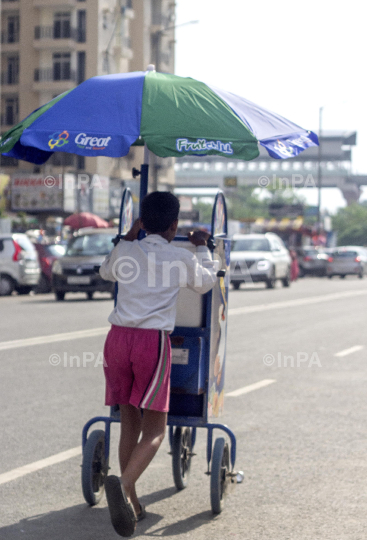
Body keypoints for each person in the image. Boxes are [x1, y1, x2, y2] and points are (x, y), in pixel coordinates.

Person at [99, 191, 217, 537]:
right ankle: (123, 487)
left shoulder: (126, 250)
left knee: (128, 423)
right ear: (174, 225)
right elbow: (206, 282)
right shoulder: (178, 255)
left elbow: (108, 273)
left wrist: (127, 238)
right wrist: (202, 247)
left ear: (141, 221)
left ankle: (133, 502)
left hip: (117, 339)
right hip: (151, 343)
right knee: (155, 430)